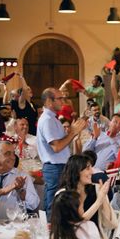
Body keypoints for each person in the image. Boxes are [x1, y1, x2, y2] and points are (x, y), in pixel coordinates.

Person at [37, 88, 87, 216]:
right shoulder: (47, 120)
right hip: (54, 168)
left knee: (60, 206)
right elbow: (57, 147)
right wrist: (72, 132)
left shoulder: (52, 118)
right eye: (59, 98)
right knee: (53, 206)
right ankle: (50, 233)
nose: (63, 101)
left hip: (59, 166)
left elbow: (61, 142)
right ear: (49, 101)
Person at [58, 155, 117, 239]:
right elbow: (76, 225)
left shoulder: (96, 189)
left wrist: (103, 198)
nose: (92, 172)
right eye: (87, 168)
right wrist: (98, 201)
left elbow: (109, 222)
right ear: (77, 171)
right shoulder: (63, 195)